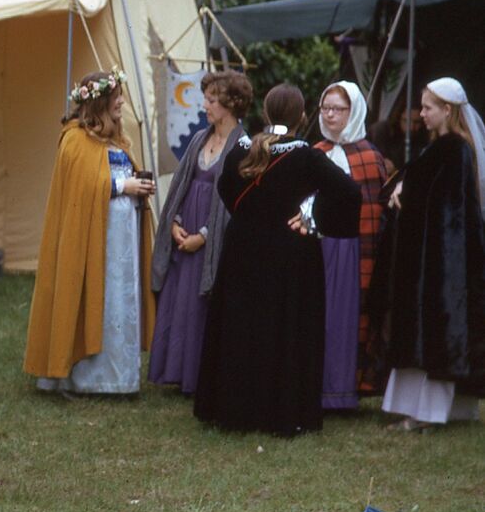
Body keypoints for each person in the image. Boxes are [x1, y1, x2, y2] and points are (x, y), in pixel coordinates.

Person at [193, 84, 361, 436]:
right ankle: (282, 411)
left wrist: (253, 217)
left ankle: (235, 408)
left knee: (243, 328)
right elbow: (349, 191)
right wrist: (311, 215)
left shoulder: (241, 149)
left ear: (266, 113)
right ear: (302, 116)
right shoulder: (306, 156)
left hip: (242, 252)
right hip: (289, 254)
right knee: (284, 329)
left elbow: (225, 189)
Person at [23, 67, 155, 395]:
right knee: (95, 297)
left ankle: (119, 378)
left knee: (118, 299)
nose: (121, 102)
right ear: (99, 103)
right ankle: (85, 377)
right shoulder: (75, 139)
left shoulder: (115, 139)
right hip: (92, 239)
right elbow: (80, 188)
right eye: (116, 97)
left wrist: (138, 187)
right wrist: (123, 186)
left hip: (121, 239)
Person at [380, 77, 485, 431]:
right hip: (430, 258)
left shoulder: (454, 149)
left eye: (428, 107)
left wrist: (405, 194)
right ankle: (424, 407)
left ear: (447, 110)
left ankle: (429, 412)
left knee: (436, 334)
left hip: (440, 261)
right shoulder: (442, 148)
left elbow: (447, 209)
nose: (421, 113)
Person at [149, 70, 253, 394]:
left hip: (214, 242)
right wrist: (176, 222)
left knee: (200, 308)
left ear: (231, 103)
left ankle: (197, 377)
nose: (204, 105)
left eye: (211, 100)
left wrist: (205, 236)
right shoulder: (198, 139)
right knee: (178, 303)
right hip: (186, 233)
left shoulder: (244, 147)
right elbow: (183, 184)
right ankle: (173, 371)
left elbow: (237, 204)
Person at [315, 81, 387, 407]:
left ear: (353, 111)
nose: (330, 115)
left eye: (338, 109)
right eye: (325, 108)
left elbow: (376, 213)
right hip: (320, 249)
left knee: (352, 317)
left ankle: (350, 383)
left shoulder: (370, 157)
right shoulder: (315, 153)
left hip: (356, 253)